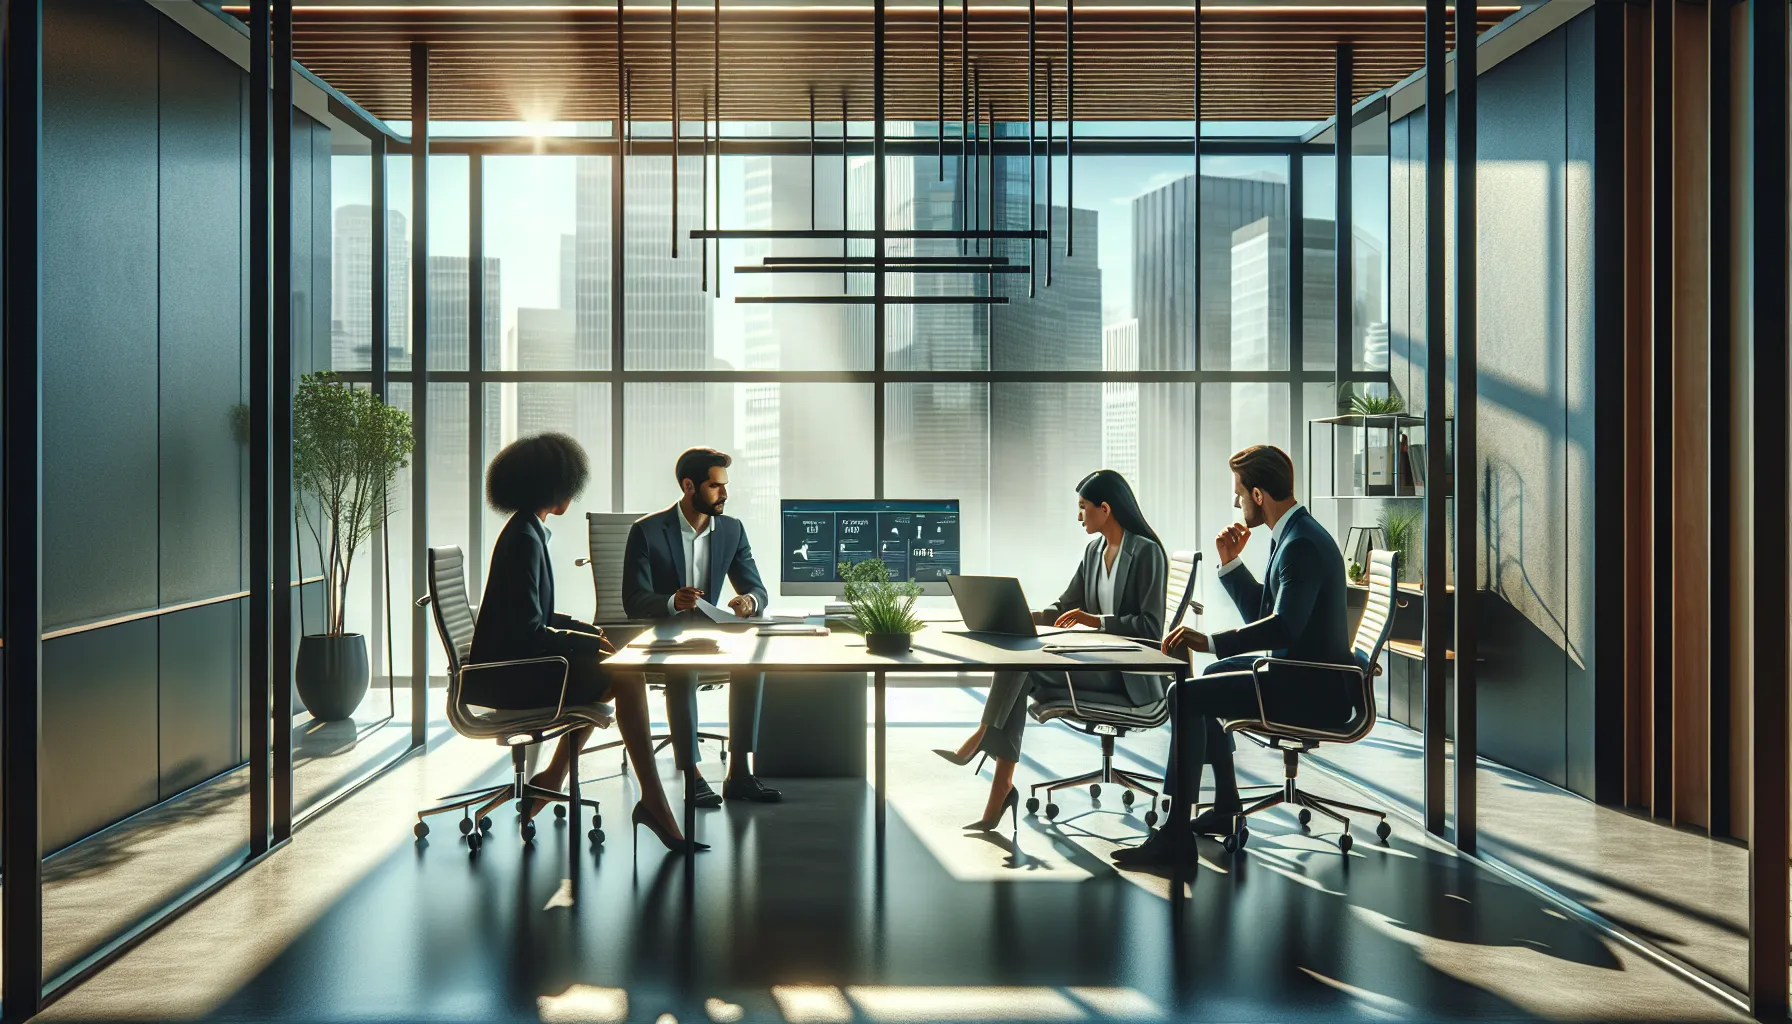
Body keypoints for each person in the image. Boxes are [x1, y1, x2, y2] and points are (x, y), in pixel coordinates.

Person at [1113, 444, 1354, 867]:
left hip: (1311, 688)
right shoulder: (1295, 536)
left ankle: (1174, 834)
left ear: (1259, 495)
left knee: (1185, 696)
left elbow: (1283, 628)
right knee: (1212, 677)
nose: (1237, 503)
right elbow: (1268, 615)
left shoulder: (1301, 545)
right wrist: (1230, 564)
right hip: (1298, 672)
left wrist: (1207, 640)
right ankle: (1226, 805)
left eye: (1240, 494)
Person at [469, 433, 700, 853]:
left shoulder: (527, 531)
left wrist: (590, 634)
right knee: (625, 676)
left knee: (614, 670)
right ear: (551, 487)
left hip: (514, 666)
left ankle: (553, 778)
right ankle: (652, 801)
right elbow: (529, 632)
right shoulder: (524, 539)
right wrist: (585, 642)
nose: (571, 497)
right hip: (508, 676)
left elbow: (537, 616)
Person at [935, 469, 1168, 830]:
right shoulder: (1094, 551)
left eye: (1083, 508)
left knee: (1021, 667)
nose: (1079, 517)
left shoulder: (1146, 553)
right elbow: (1064, 608)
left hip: (1128, 677)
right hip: (1095, 665)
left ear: (1105, 509)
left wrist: (1096, 621)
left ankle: (985, 744)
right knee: (1020, 664)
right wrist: (1014, 614)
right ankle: (1000, 786)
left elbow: (1151, 627)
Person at [621, 447, 782, 806]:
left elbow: (757, 588)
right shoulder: (646, 531)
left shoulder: (732, 530)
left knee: (751, 665)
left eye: (725, 486)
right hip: (668, 632)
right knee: (683, 669)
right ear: (689, 486)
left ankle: (740, 773)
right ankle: (692, 777)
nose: (724, 494)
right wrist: (671, 602)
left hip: (713, 629)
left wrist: (748, 602)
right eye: (715, 486)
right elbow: (633, 600)